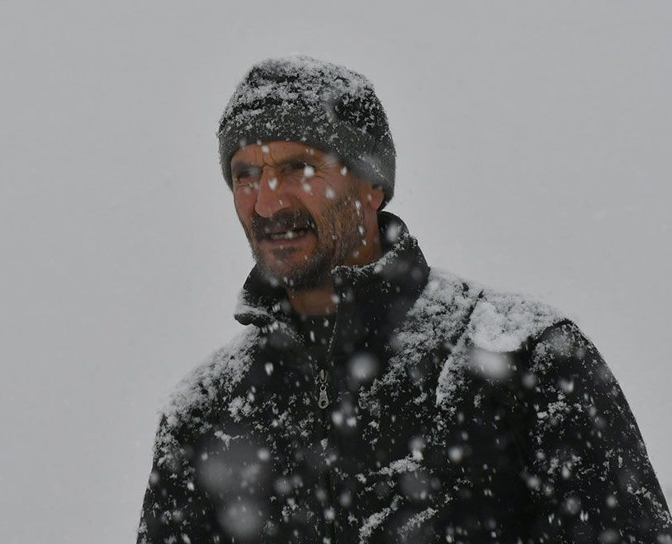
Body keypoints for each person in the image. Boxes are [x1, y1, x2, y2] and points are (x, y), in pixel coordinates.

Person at [137, 56, 671, 543]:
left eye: (298, 168)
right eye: (246, 175)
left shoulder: (524, 358)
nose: (267, 203)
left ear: (372, 186)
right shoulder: (204, 413)